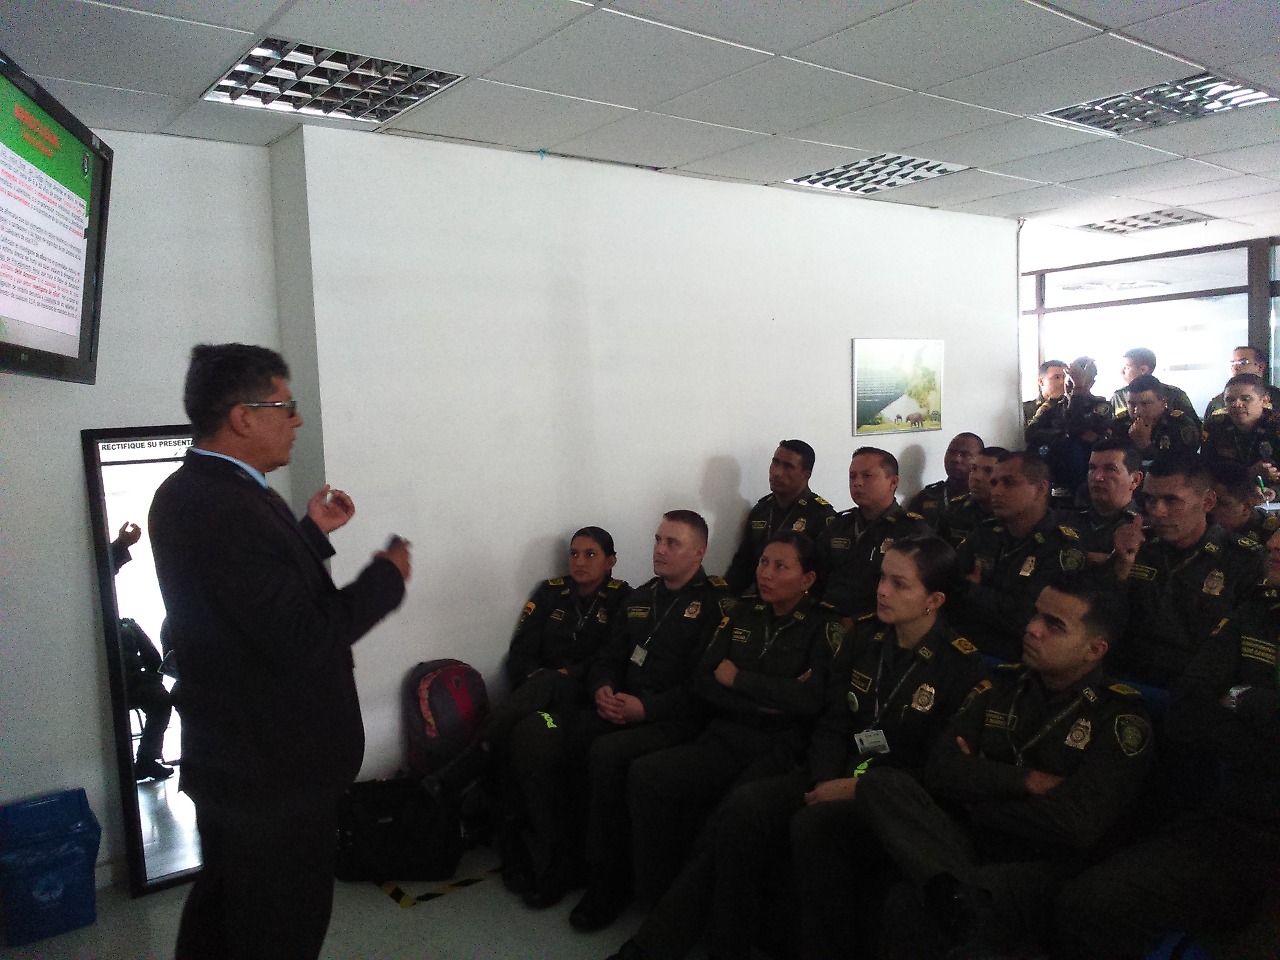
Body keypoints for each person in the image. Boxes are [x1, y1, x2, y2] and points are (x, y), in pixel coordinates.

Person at [149, 343, 410, 960]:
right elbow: (301, 637)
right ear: (243, 416)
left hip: (245, 761)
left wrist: (311, 533)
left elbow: (250, 596)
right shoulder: (222, 505)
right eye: (285, 407)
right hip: (271, 774)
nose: (297, 420)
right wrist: (387, 579)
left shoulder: (211, 492)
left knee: (227, 918)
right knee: (277, 930)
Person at [606, 536, 983, 960]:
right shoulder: (865, 638)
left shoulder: (959, 666)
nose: (882, 591)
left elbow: (937, 765)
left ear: (934, 600)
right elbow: (833, 721)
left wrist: (855, 786)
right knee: (741, 810)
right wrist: (825, 777)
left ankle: (656, 945)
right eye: (882, 578)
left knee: (802, 825)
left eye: (899, 584)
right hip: (832, 768)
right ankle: (716, 945)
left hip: (892, 795)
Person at [794, 576, 1153, 960]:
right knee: (877, 784)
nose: (1032, 628)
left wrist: (977, 793)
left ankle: (948, 892)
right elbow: (940, 769)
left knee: (910, 903)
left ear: (1094, 650)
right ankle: (948, 892)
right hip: (967, 834)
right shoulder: (1002, 685)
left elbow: (1076, 823)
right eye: (1036, 615)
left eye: (1055, 625)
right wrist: (1025, 780)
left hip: (1037, 860)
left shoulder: (1119, 718)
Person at [1054, 529, 1280, 959]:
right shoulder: (1258, 613)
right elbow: (1187, 709)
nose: (1274, 542)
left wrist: (1242, 698)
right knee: (1091, 903)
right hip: (1236, 827)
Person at [510, 511, 731, 923]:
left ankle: (608, 879)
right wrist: (602, 688)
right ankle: (565, 856)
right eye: (658, 540)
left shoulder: (716, 606)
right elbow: (608, 657)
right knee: (551, 738)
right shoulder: (642, 597)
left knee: (606, 754)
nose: (659, 550)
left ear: (699, 552)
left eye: (672, 543)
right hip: (622, 705)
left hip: (675, 719)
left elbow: (704, 685)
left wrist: (647, 708)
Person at [625, 532, 843, 908]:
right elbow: (705, 679)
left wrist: (740, 679)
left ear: (807, 579)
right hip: (726, 735)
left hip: (778, 747)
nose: (766, 573)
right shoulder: (742, 611)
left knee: (731, 814)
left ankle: (687, 916)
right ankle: (652, 893)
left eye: (780, 566)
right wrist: (767, 699)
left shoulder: (823, 627)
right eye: (763, 562)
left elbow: (810, 700)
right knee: (646, 775)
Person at [431, 527, 632, 895]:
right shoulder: (550, 592)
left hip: (582, 700)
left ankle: (472, 762)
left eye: (590, 554)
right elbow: (520, 654)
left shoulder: (623, 600)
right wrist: (537, 677)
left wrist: (566, 677)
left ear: (611, 561)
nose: (579, 562)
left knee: (547, 689)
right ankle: (516, 851)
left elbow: (612, 659)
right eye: (574, 553)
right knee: (524, 729)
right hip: (538, 700)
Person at [1109, 453, 1264, 689]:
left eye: (1171, 500)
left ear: (1207, 502)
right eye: (1150, 499)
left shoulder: (1243, 560)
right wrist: (1120, 566)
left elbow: (1246, 649)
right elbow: (1104, 620)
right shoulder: (1138, 546)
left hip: (1196, 691)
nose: (1158, 511)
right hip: (1124, 681)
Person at [950, 451, 1086, 660]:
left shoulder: (1062, 547)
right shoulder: (985, 534)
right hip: (966, 647)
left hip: (1021, 658)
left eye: (1009, 483)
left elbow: (1028, 617)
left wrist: (973, 590)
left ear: (1041, 489)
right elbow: (950, 586)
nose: (996, 491)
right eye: (994, 483)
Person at [814, 447, 930, 621]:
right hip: (829, 620)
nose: (857, 483)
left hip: (880, 624)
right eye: (852, 476)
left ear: (893, 482)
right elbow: (817, 577)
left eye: (867, 476)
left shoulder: (912, 531)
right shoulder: (840, 525)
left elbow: (915, 592)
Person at [722, 440, 835, 595]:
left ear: (806, 475)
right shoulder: (761, 510)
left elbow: (825, 576)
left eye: (788, 466)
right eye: (775, 463)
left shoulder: (821, 515)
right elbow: (743, 567)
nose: (777, 472)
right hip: (761, 601)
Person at [109, 520, 176, 781]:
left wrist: (153, 678)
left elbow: (154, 658)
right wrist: (121, 545)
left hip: (138, 682)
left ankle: (146, 760)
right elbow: (101, 570)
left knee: (161, 700)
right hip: (112, 682)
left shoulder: (128, 625)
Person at [1200, 372, 1280, 498]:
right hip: (1227, 495)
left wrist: (1275, 492)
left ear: (1264, 400)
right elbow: (1205, 470)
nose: (1236, 404)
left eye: (1246, 399)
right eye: (1230, 400)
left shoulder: (1276, 425)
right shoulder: (1215, 425)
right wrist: (1248, 473)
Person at [1065, 439, 1143, 561]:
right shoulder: (1068, 522)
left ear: (1135, 480)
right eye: (1092, 468)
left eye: (1110, 469)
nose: (1097, 477)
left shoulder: (1144, 530)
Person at [1109, 374, 1200, 461]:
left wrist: (1145, 445)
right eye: (1132, 404)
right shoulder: (1119, 424)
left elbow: (1184, 465)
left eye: (1145, 404)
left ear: (1162, 402)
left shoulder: (1180, 424)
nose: (1137, 411)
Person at [1109, 347, 1200, 431]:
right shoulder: (1118, 396)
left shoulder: (1174, 394)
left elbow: (1194, 429)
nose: (1122, 372)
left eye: (1127, 367)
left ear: (1143, 370)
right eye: (1132, 404)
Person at [907, 432, 983, 530]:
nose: (956, 459)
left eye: (965, 454)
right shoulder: (925, 496)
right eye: (951, 452)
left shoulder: (983, 500)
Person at [935, 445, 1006, 549]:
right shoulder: (956, 509)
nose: (976, 477)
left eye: (988, 471)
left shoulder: (1011, 514)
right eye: (974, 469)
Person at [1207, 459, 1280, 545]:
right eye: (1208, 501)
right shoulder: (1205, 525)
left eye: (1222, 504)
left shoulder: (1271, 534)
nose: (1210, 509)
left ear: (1247, 506)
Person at [1202, 345, 1280, 419]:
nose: (1235, 367)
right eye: (1232, 363)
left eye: (1243, 362)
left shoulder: (1277, 397)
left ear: (1260, 367)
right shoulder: (1217, 402)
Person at [1022, 359, 1067, 427]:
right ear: (1041, 382)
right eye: (1056, 377)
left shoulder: (1071, 407)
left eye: (1065, 377)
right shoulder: (1025, 410)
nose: (1062, 382)